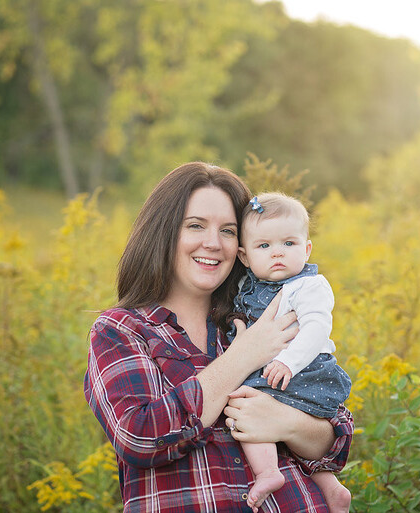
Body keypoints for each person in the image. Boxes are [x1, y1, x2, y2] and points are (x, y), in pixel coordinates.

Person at [84, 162, 354, 512]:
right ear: (163, 232)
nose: (213, 243)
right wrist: (243, 357)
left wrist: (286, 423)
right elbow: (140, 437)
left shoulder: (260, 314)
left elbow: (335, 440)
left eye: (228, 231)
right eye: (195, 225)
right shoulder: (121, 330)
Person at [228, 192, 353, 512]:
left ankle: (268, 472)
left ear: (307, 248)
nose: (277, 253)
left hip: (303, 371)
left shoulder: (308, 286)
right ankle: (331, 487)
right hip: (277, 368)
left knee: (246, 408)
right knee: (281, 425)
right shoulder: (246, 286)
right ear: (244, 257)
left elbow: (317, 328)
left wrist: (288, 361)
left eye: (289, 243)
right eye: (264, 246)